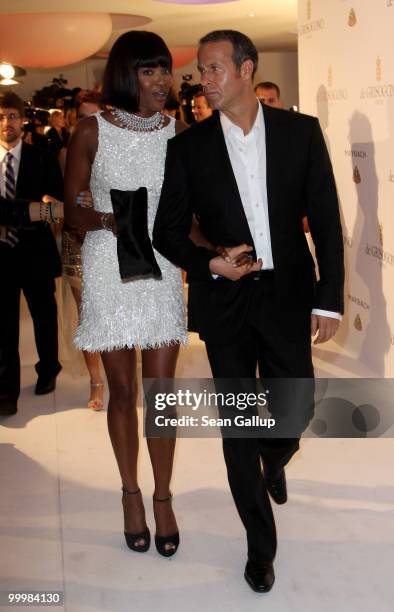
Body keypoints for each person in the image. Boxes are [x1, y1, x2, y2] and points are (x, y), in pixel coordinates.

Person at [153, 30, 344, 592]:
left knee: (296, 407)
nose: (203, 81)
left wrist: (328, 297)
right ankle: (260, 548)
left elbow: (326, 221)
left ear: (245, 69)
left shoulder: (300, 133)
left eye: (213, 69)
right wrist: (211, 262)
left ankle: (275, 455)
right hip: (226, 302)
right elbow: (166, 231)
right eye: (201, 71)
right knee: (238, 428)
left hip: (288, 294)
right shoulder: (187, 147)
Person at [64, 31, 187, 557]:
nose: (161, 80)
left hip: (161, 265)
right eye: (149, 70)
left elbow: (191, 209)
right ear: (125, 74)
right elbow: (71, 214)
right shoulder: (91, 130)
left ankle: (163, 497)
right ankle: (130, 494)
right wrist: (113, 220)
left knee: (161, 393)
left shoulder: (179, 132)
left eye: (165, 70)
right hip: (109, 262)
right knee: (124, 393)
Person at [0, 92, 63, 417]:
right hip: (1, 255)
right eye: (1, 117)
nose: (6, 123)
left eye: (11, 115)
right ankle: (6, 391)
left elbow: (56, 211)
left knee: (44, 318)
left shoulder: (44, 158)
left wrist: (12, 211)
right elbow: (42, 210)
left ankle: (49, 370)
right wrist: (31, 209)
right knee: (4, 326)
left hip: (36, 253)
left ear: (22, 118)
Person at [61, 93, 105, 410]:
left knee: (118, 311)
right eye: (81, 116)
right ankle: (96, 381)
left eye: (93, 116)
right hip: (77, 240)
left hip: (111, 239)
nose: (86, 122)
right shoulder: (65, 154)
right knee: (87, 315)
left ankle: (122, 375)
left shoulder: (120, 154)